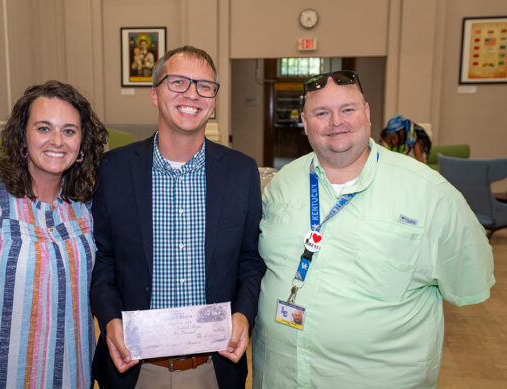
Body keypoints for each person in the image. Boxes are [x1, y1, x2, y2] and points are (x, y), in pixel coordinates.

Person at [252, 70, 494, 388]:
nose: (336, 121)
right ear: (305, 122)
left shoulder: (430, 193)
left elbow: (468, 279)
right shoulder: (281, 185)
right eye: (321, 113)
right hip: (280, 376)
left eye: (348, 109)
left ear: (366, 113)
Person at [90, 45, 265, 388]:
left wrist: (244, 313)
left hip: (213, 368)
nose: (193, 95)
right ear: (155, 94)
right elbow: (103, 257)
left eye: (204, 86)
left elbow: (251, 259)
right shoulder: (114, 169)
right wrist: (110, 319)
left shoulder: (241, 172)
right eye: (179, 83)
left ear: (213, 100)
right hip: (136, 367)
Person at [0, 80, 108, 388]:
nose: (57, 140)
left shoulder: (86, 209)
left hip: (73, 377)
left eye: (69, 130)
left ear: (82, 143)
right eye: (43, 128)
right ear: (22, 137)